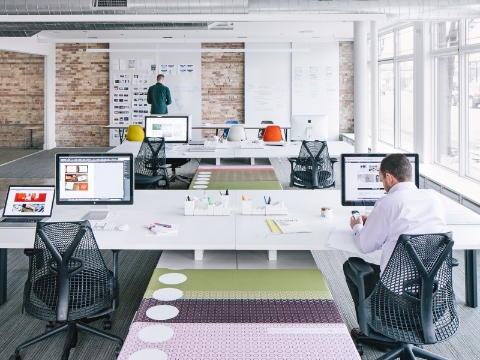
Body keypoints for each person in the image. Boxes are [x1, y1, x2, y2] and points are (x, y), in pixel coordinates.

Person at [343, 153, 447, 337]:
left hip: (398, 303)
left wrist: (357, 225)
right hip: (435, 299)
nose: (382, 182)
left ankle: (375, 332)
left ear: (389, 177)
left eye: (381, 178)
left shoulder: (388, 202)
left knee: (352, 266)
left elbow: (366, 246)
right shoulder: (434, 199)